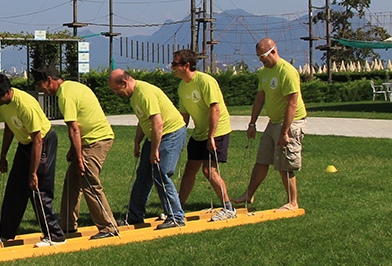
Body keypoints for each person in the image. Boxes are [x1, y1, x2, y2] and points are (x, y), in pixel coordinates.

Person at [32, 66, 120, 240]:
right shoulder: (70, 88)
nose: (40, 89)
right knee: (72, 181)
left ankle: (108, 226)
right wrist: (74, 150)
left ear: (49, 80)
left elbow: (74, 130)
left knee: (88, 180)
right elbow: (79, 125)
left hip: (97, 140)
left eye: (40, 84)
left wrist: (79, 159)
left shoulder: (66, 95)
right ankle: (67, 226)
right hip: (90, 140)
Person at [0, 73, 65, 247]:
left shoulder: (25, 105)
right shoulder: (3, 103)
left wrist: (34, 173)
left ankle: (55, 235)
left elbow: (37, 140)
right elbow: (9, 128)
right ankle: (3, 233)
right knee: (14, 188)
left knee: (38, 190)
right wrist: (3, 155)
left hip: (43, 142)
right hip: (25, 144)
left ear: (6, 92)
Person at [107, 69, 187, 229]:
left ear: (125, 83)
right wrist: (137, 141)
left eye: (116, 89)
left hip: (171, 133)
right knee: (143, 175)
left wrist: (154, 150)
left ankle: (176, 216)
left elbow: (158, 123)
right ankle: (135, 216)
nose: (116, 93)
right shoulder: (133, 95)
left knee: (161, 173)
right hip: (156, 136)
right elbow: (144, 119)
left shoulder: (144, 93)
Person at [236, 38, 307, 212]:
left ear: (273, 51)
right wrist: (252, 123)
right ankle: (249, 194)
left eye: (263, 57)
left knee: (285, 163)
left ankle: (292, 202)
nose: (262, 60)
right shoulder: (265, 72)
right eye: (259, 57)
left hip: (290, 123)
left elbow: (292, 103)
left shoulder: (287, 72)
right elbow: (260, 98)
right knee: (262, 160)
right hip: (273, 122)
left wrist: (285, 132)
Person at [171, 49, 238, 221]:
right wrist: (178, 135)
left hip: (217, 131)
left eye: (175, 64)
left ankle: (228, 208)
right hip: (199, 132)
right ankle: (178, 209)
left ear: (186, 65)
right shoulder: (182, 86)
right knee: (190, 169)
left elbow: (215, 109)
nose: (172, 67)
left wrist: (211, 136)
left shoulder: (205, 81)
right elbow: (184, 116)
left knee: (209, 171)